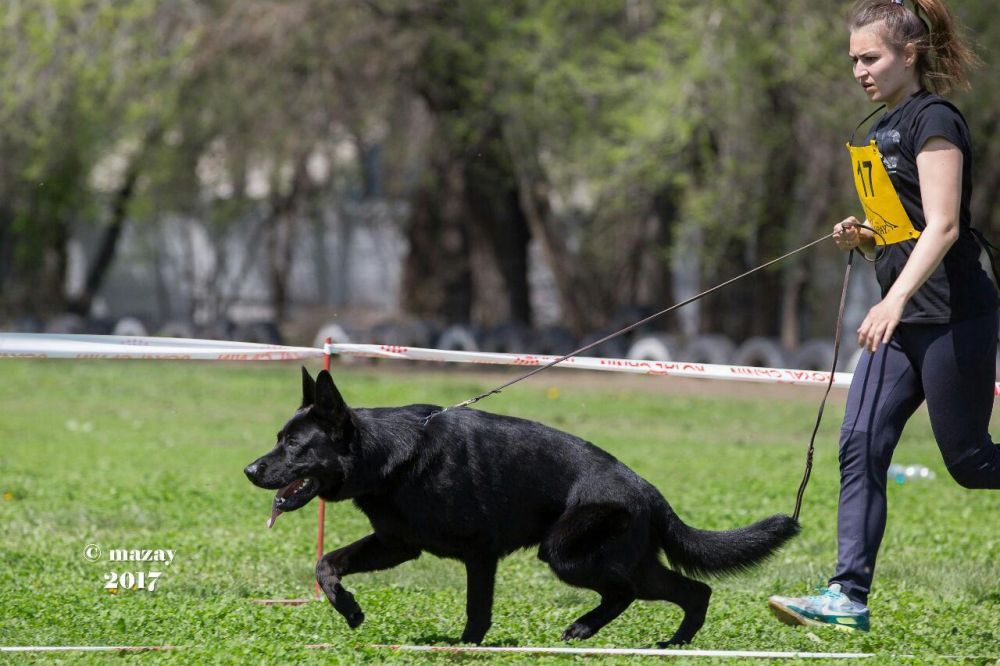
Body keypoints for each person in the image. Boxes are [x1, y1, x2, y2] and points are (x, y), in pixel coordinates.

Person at [767, 0, 1000, 632]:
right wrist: (865, 234)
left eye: (870, 58)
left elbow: (945, 225)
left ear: (909, 53)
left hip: (953, 316)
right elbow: (904, 225)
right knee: (860, 442)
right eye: (853, 60)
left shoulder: (936, 121)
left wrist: (893, 300)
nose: (859, 71)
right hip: (899, 323)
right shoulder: (878, 129)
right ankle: (848, 597)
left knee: (971, 463)